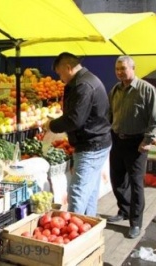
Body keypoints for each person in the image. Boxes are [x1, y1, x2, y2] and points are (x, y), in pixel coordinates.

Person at [49, 52, 112, 216]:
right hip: (98, 141)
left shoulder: (83, 85)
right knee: (89, 191)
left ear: (68, 68)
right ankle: (88, 228)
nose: (61, 78)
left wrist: (52, 124)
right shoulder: (87, 80)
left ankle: (74, 233)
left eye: (60, 73)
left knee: (77, 192)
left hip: (91, 145)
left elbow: (75, 119)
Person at [107, 55, 156, 239]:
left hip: (137, 143)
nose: (120, 72)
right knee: (117, 180)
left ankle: (135, 223)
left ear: (133, 68)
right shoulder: (115, 89)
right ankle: (124, 210)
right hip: (117, 140)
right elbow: (110, 115)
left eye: (123, 68)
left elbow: (155, 121)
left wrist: (147, 141)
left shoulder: (147, 90)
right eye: (117, 69)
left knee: (136, 184)